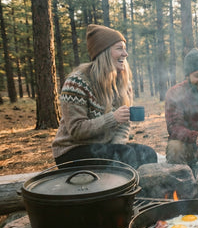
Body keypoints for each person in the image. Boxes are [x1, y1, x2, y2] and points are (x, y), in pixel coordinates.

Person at [52, 24, 157, 169]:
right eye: (119, 48)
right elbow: (76, 130)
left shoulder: (123, 84)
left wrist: (117, 148)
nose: (125, 54)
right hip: (72, 151)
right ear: (105, 52)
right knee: (126, 155)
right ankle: (121, 190)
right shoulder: (77, 83)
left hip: (104, 148)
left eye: (125, 49)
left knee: (149, 154)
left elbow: (124, 124)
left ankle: (140, 190)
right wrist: (112, 118)